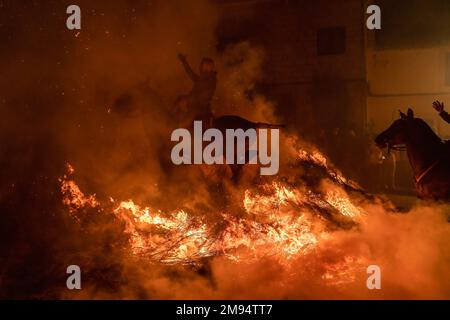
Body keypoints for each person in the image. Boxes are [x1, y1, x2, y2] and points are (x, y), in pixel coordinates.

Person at [175, 54, 217, 126]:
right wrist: (184, 61)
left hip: (199, 110)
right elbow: (191, 74)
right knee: (179, 101)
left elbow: (203, 97)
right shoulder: (204, 78)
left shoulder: (210, 80)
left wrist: (188, 99)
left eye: (206, 65)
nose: (203, 67)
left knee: (182, 125)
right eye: (203, 65)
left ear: (211, 67)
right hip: (195, 107)